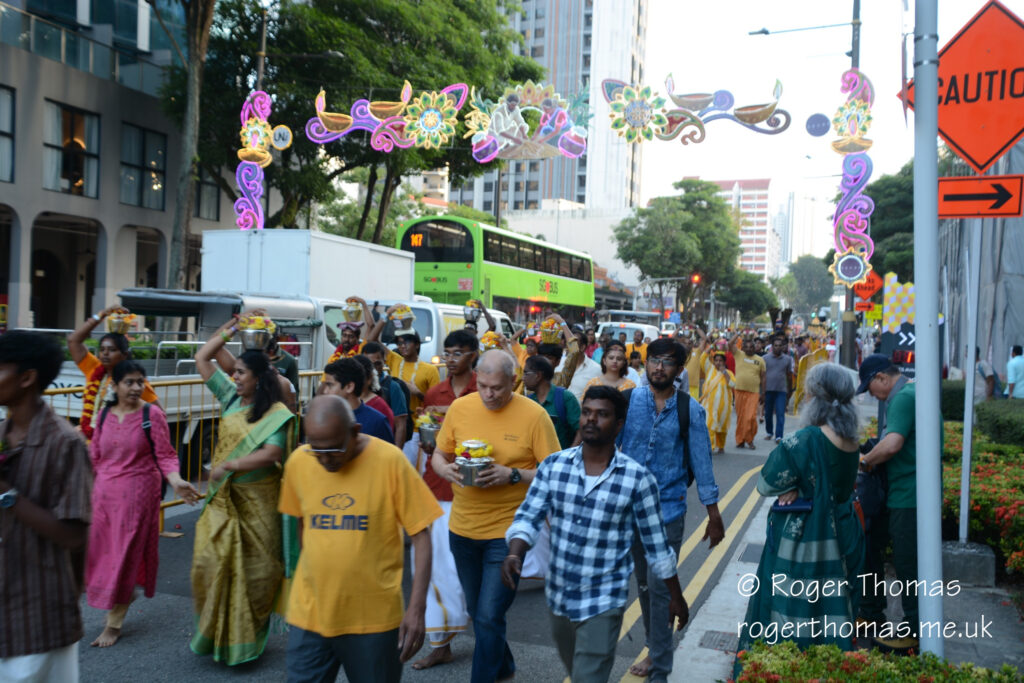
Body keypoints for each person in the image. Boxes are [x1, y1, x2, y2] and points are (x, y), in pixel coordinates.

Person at [503, 386, 689, 683]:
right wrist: (515, 551)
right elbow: (528, 516)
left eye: (601, 414)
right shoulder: (554, 466)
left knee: (588, 678)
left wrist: (675, 596)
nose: (591, 419)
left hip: (604, 600)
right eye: (587, 412)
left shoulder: (637, 479)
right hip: (560, 598)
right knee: (577, 672)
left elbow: (658, 548)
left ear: (618, 425)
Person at [279, 395, 441, 683]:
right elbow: (303, 527)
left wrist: (417, 609)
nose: (325, 460)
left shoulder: (390, 461)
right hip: (310, 615)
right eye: (317, 452)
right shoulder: (300, 462)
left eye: (333, 450)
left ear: (354, 431)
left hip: (374, 620)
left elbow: (421, 536)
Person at [431, 350, 561, 683]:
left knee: (489, 614)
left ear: (515, 382)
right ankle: (504, 669)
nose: (489, 394)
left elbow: (557, 472)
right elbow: (438, 455)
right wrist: (445, 469)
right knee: (479, 613)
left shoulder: (534, 416)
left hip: (509, 534)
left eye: (498, 388)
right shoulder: (461, 408)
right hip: (462, 529)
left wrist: (512, 475)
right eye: (484, 385)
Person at [736, 363, 864, 673]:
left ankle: (781, 671)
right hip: (845, 533)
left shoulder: (805, 439)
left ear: (814, 396)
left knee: (790, 609)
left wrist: (793, 485)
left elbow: (766, 483)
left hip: (803, 538)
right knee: (831, 607)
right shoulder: (852, 440)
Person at [191, 315, 298, 665]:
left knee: (255, 573)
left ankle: (246, 643)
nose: (233, 377)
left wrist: (230, 465)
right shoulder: (230, 399)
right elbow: (203, 357)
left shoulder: (276, 411)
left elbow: (273, 453)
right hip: (224, 501)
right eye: (233, 372)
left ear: (258, 379)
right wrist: (233, 328)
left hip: (259, 502)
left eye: (240, 373)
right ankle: (214, 635)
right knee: (211, 565)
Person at [617, 338, 724, 682]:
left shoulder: (688, 409)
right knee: (645, 585)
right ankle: (655, 646)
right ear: (645, 364)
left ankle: (660, 666)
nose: (659, 367)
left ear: (679, 370)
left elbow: (701, 461)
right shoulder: (627, 401)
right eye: (654, 361)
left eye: (667, 363)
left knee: (661, 587)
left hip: (668, 513)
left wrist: (714, 514)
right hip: (629, 512)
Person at [85, 360, 200, 648]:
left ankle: (113, 623)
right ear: (115, 386)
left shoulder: (152, 415)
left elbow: (165, 454)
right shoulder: (104, 415)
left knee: (123, 556)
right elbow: (95, 457)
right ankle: (122, 593)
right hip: (104, 498)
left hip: (137, 497)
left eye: (140, 382)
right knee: (104, 556)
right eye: (130, 382)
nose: (137, 388)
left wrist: (175, 481)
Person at [0, 331, 92, 682]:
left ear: (26, 378)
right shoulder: (3, 432)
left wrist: (6, 494)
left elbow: (72, 535)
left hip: (40, 610)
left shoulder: (65, 444)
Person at [411, 329, 479, 671]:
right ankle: (441, 643)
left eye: (458, 353)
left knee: (467, 567)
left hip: (475, 492)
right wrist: (428, 445)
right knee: (437, 564)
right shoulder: (434, 391)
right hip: (436, 487)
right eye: (447, 353)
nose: (451, 360)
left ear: (474, 355)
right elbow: (429, 438)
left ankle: (486, 638)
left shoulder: (486, 389)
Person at [857, 354, 922, 650]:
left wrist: (865, 461)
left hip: (908, 494)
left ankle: (913, 630)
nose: (872, 394)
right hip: (903, 491)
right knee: (889, 553)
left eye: (870, 388)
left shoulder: (903, 398)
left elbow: (893, 443)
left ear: (881, 378)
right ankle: (887, 617)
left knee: (907, 562)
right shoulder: (910, 393)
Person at [67, 305, 160, 439]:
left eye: (111, 350)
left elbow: (159, 414)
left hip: (116, 443)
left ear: (124, 355)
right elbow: (73, 340)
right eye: (102, 349)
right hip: (90, 441)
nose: (105, 353)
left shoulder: (134, 381)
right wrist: (101, 315)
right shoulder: (94, 368)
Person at [367, 305, 441, 414]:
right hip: (395, 420)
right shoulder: (395, 360)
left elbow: (436, 403)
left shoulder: (431, 370)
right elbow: (371, 339)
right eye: (399, 343)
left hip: (417, 424)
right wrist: (387, 314)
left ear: (416, 345)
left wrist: (418, 393)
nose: (402, 346)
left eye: (406, 342)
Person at [320, 359, 394, 443]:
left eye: (330, 385)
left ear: (349, 387)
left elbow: (389, 454)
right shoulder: (323, 418)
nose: (325, 391)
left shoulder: (377, 422)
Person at [524, 355, 581, 449]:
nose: (523, 378)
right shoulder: (529, 401)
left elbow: (581, 430)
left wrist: (567, 456)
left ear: (538, 376)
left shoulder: (565, 398)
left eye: (526, 373)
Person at [362, 342, 410, 447]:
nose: (373, 368)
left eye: (377, 364)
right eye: (369, 364)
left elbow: (400, 425)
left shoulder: (393, 387)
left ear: (384, 362)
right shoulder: (358, 386)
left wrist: (396, 454)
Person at [730, 334, 766, 449]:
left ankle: (750, 439)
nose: (750, 349)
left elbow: (764, 377)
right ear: (743, 348)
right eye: (747, 347)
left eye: (752, 347)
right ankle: (740, 440)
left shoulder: (760, 360)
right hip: (739, 390)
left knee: (750, 417)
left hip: (754, 392)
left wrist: (764, 392)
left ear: (755, 348)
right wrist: (737, 335)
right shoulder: (739, 355)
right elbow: (729, 344)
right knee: (741, 417)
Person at [353, 354, 397, 435]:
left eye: (356, 376)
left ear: (369, 379)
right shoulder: (346, 402)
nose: (351, 381)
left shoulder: (381, 407)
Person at [701, 351, 735, 454]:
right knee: (709, 426)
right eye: (716, 360)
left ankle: (721, 446)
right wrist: (711, 346)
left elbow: (732, 384)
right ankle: (710, 447)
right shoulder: (709, 369)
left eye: (720, 360)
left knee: (722, 427)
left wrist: (724, 372)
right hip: (709, 405)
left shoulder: (728, 373)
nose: (718, 363)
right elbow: (703, 358)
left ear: (724, 362)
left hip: (723, 406)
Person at [762, 335, 795, 444]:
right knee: (768, 413)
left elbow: (789, 375)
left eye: (780, 346)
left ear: (783, 347)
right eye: (775, 345)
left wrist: (790, 390)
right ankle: (769, 432)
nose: (777, 347)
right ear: (772, 346)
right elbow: (761, 376)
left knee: (780, 413)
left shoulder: (787, 359)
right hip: (768, 390)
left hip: (781, 390)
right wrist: (761, 391)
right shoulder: (765, 358)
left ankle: (779, 436)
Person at [327, 297, 373, 364]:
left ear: (358, 338)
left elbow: (371, 326)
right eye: (344, 335)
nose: (346, 339)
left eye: (351, 336)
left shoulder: (360, 353)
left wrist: (363, 303)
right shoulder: (333, 357)